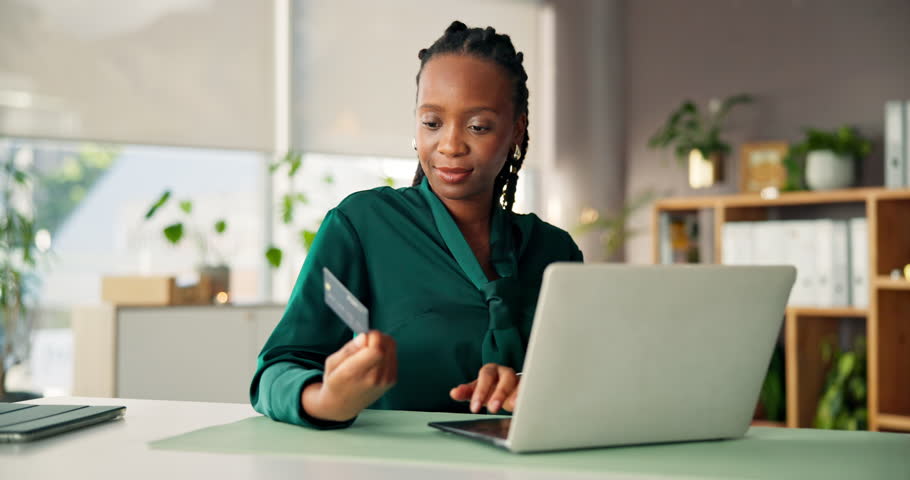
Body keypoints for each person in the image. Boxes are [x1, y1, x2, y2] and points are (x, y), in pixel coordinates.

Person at [250, 20, 583, 430]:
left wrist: (526, 385)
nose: (449, 145)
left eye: (477, 126)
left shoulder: (555, 253)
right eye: (431, 123)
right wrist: (328, 398)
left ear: (517, 129)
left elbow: (587, 379)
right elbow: (277, 370)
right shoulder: (362, 227)